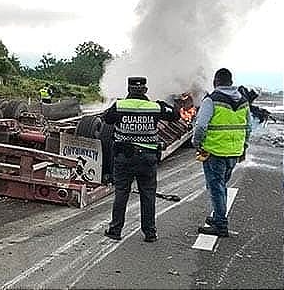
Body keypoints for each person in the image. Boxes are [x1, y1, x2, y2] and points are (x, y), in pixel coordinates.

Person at [102, 76, 179, 243]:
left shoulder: (120, 105)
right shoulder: (155, 107)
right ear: (145, 90)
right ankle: (150, 232)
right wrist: (162, 106)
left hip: (124, 157)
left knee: (122, 192)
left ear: (129, 89)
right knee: (148, 194)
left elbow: (106, 118)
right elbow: (175, 115)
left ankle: (115, 230)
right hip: (148, 158)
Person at [192, 68, 251, 237]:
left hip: (214, 151)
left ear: (215, 82)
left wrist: (197, 143)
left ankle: (220, 225)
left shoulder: (212, 100)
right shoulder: (244, 101)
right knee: (221, 185)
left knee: (216, 187)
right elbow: (248, 127)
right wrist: (244, 147)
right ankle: (219, 216)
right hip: (234, 152)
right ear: (231, 82)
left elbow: (201, 125)